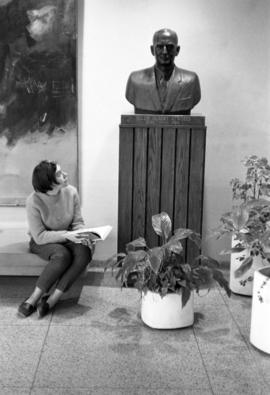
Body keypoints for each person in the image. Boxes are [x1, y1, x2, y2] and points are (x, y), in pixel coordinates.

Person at [18, 160, 93, 318]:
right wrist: (66, 235)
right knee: (62, 255)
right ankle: (34, 298)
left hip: (68, 236)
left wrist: (82, 235)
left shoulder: (71, 192)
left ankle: (52, 300)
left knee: (85, 251)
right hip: (43, 241)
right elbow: (39, 236)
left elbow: (78, 222)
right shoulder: (33, 201)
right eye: (59, 174)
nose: (65, 174)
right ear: (49, 183)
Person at [125, 28, 201, 115]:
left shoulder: (191, 81)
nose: (165, 52)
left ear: (177, 50)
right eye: (160, 47)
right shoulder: (135, 80)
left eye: (169, 47)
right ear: (152, 50)